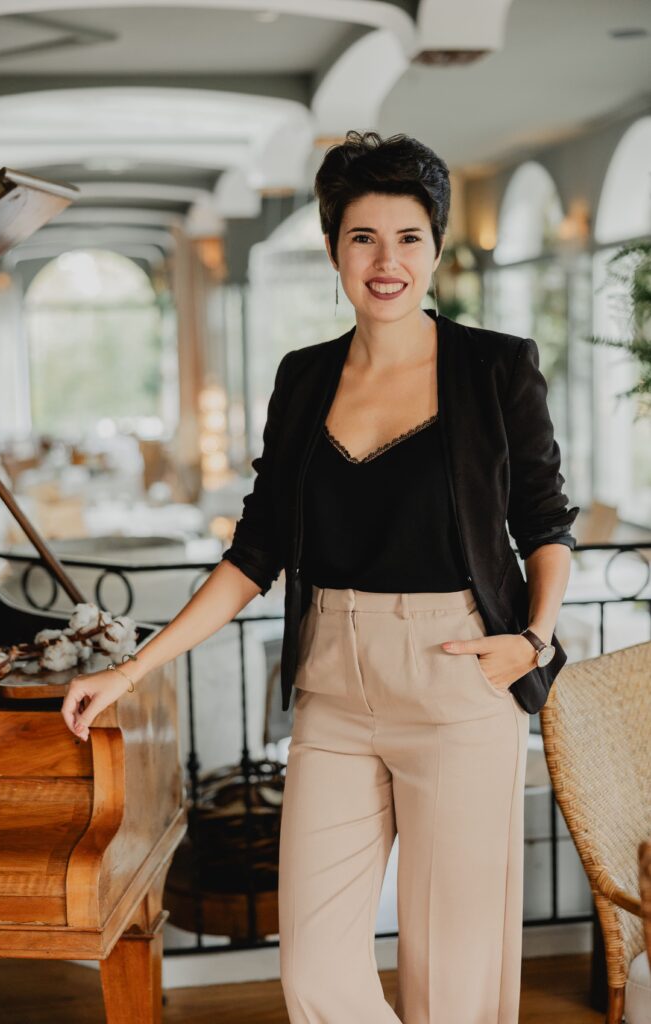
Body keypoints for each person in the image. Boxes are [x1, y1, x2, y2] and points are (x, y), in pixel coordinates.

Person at [62, 131, 579, 1024]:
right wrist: (131, 667)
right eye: (363, 238)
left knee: (452, 980)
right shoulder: (302, 379)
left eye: (407, 237)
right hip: (334, 688)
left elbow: (544, 525)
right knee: (312, 970)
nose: (387, 261)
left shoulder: (493, 367)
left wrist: (531, 639)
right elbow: (253, 553)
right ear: (335, 248)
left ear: (435, 247)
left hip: (459, 675)